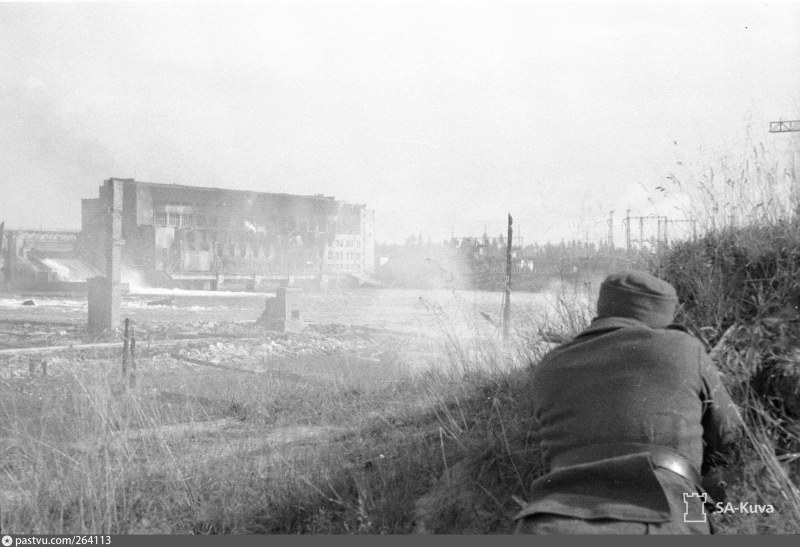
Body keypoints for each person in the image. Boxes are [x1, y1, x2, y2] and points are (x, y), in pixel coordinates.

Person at [514, 271, 742, 534]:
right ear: (663, 316)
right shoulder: (685, 348)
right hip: (661, 515)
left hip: (548, 521)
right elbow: (731, 439)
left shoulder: (550, 364)